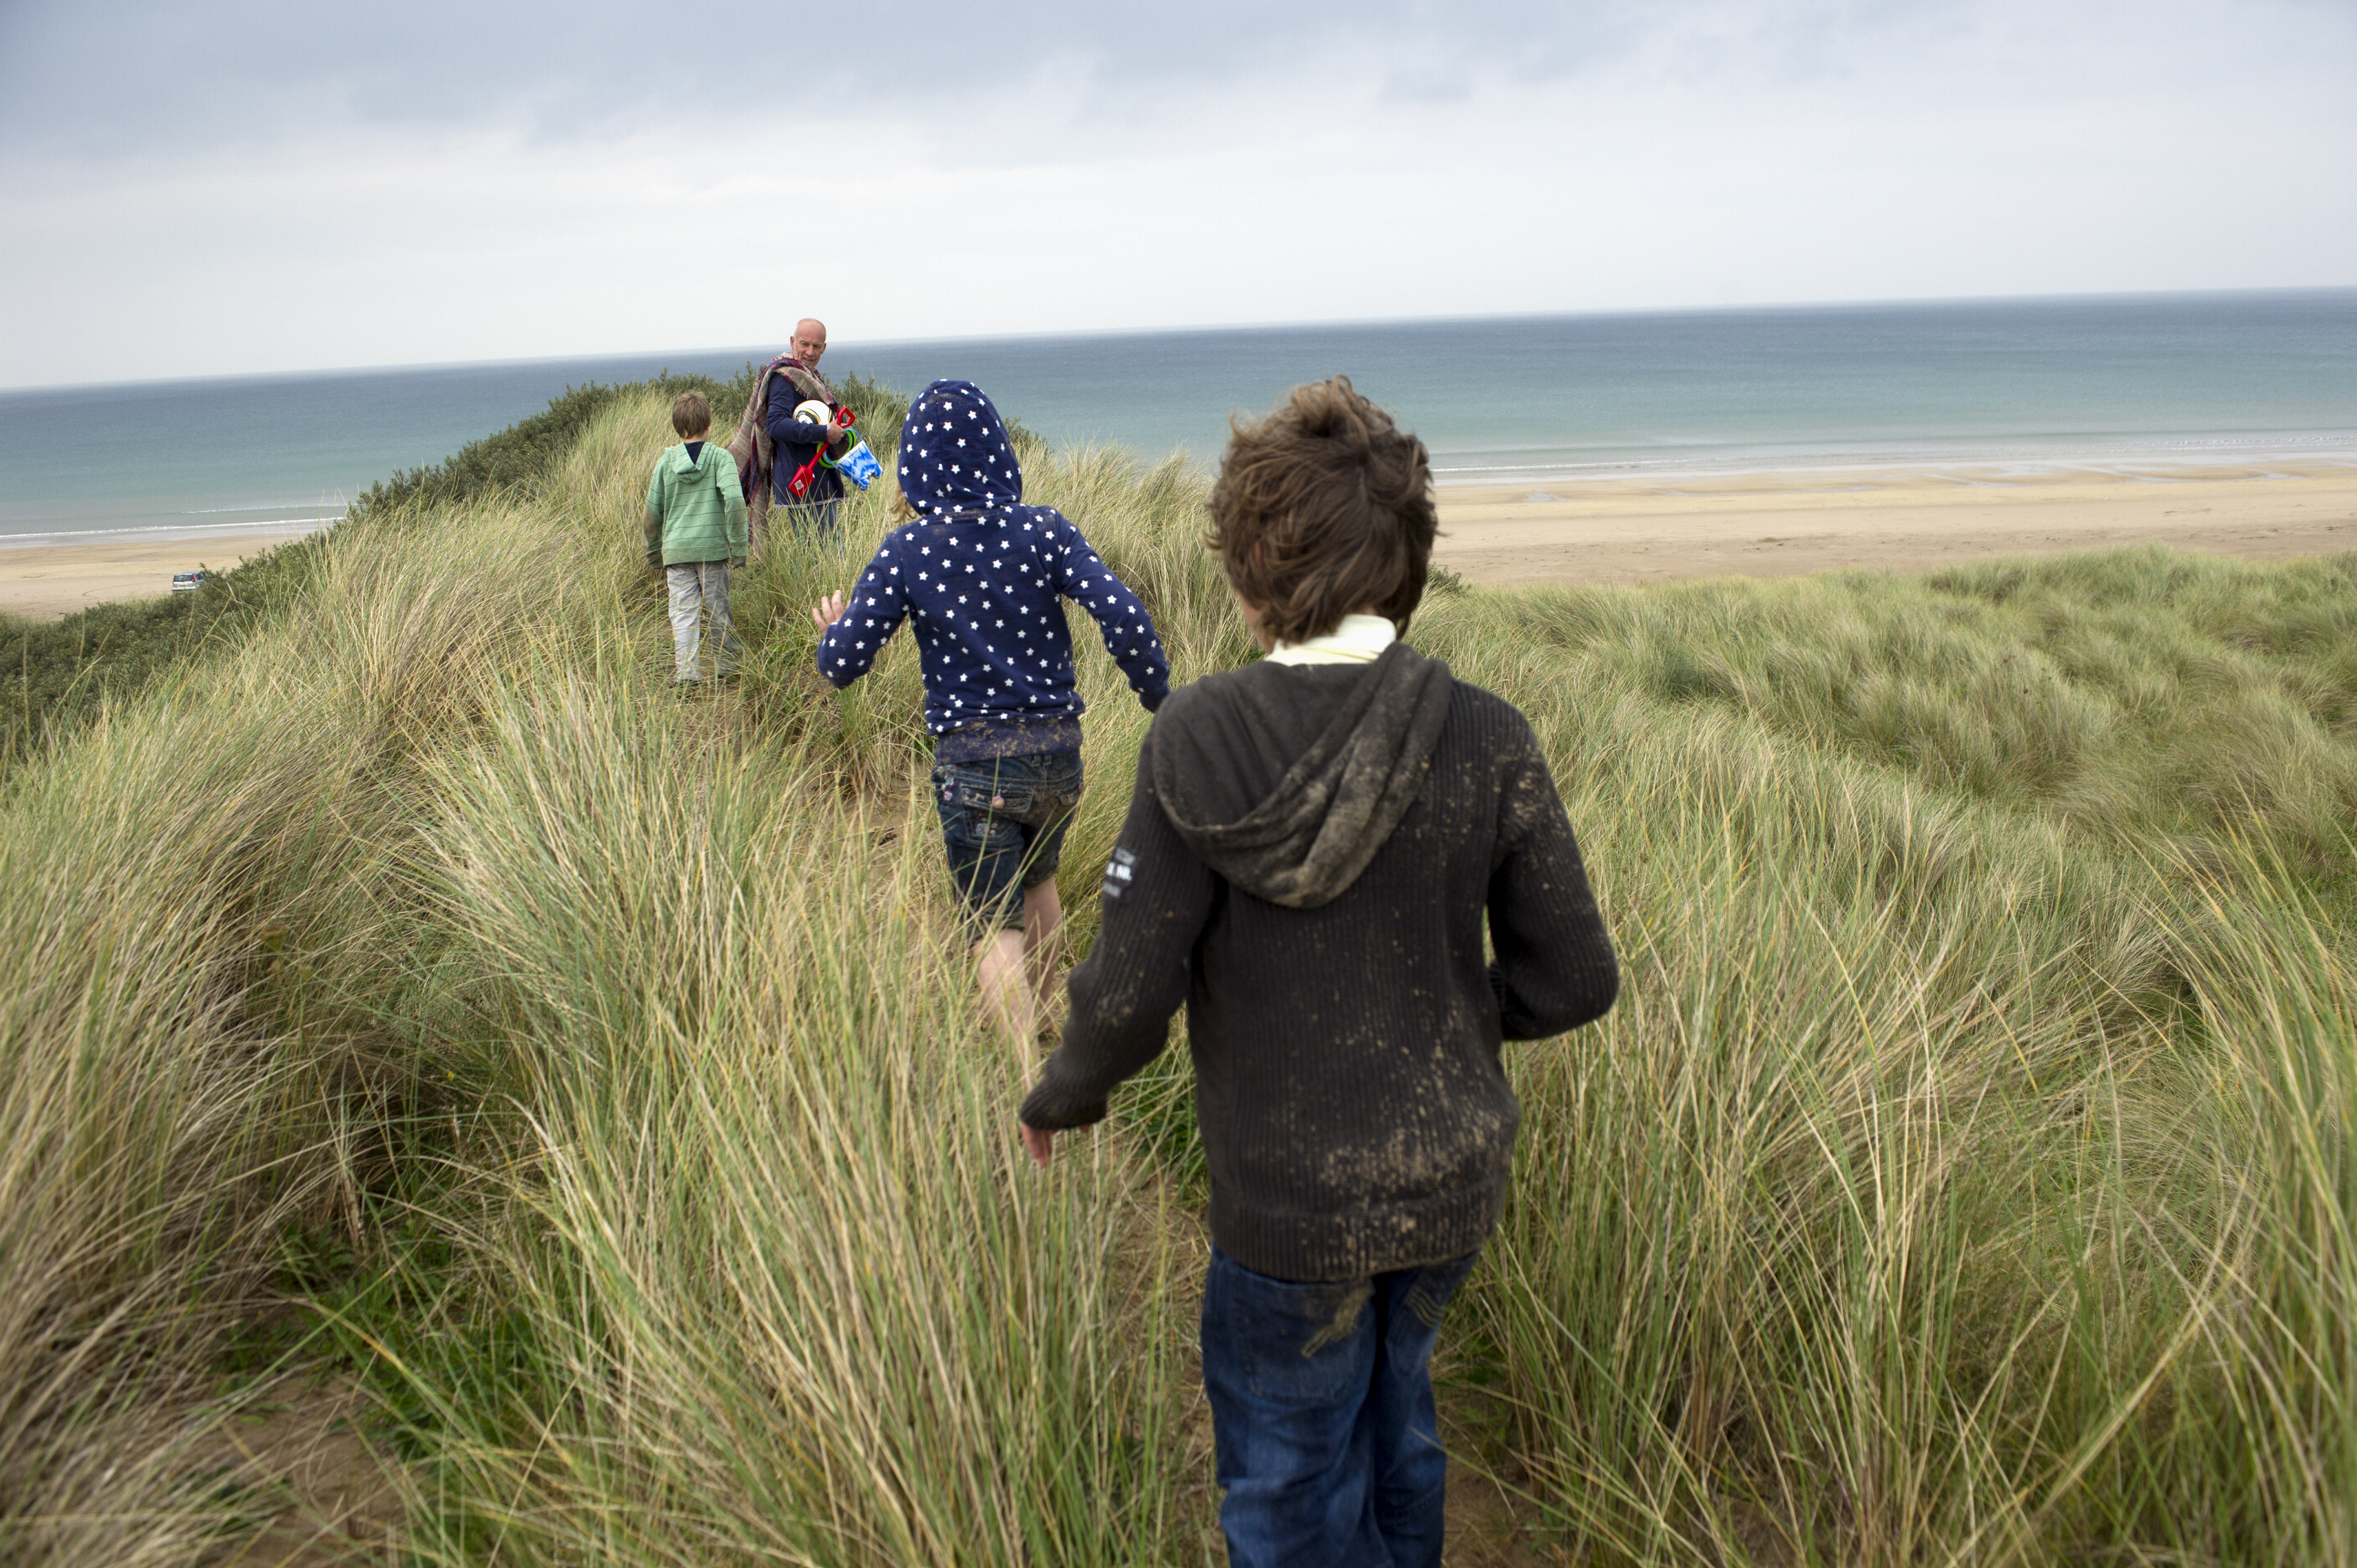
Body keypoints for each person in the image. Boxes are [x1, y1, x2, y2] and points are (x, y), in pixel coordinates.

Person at [1015, 378, 1618, 1568]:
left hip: (1287, 1207)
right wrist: (1450, 1017)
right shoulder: (1489, 734)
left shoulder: (1197, 737)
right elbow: (1577, 977)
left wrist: (1063, 1091)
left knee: (1290, 1481)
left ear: (1249, 569)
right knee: (1402, 1432)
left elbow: (1129, 992)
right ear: (1410, 559)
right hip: (1448, 1185)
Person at [809, 379, 1170, 1040]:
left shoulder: (907, 550)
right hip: (1058, 759)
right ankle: (1044, 1029)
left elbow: (842, 665)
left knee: (991, 922)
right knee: (1040, 886)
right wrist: (1157, 696)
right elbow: (1121, 610)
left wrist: (832, 631)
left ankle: (1026, 1084)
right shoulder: (1047, 530)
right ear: (1000, 453)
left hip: (973, 768)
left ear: (915, 465)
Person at [643, 389, 748, 690]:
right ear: (709, 424)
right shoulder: (721, 459)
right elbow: (735, 502)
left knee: (683, 612)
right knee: (718, 608)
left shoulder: (665, 463)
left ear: (677, 427)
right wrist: (739, 548)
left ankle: (687, 674)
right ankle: (728, 667)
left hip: (676, 552)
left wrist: (654, 555)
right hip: (713, 550)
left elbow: (652, 515)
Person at [727, 317, 850, 544]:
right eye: (804, 344)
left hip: (816, 481)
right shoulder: (786, 378)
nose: (810, 352)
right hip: (803, 483)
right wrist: (824, 433)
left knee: (824, 555)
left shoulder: (808, 377)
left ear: (825, 348)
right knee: (820, 557)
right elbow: (776, 425)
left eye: (816, 346)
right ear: (793, 342)